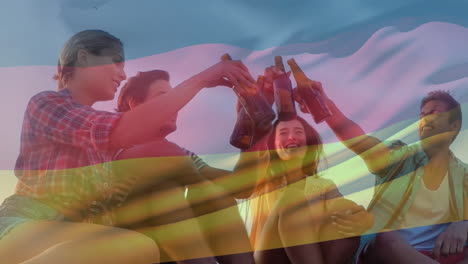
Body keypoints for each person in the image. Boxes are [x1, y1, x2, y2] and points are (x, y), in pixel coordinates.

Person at [0, 29, 255, 264]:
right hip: (28, 224)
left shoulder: (107, 148)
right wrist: (204, 78)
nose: (122, 75)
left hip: (81, 237)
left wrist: (251, 126)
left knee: (167, 196)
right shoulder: (48, 104)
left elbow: (232, 186)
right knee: (135, 245)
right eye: (116, 62)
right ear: (84, 58)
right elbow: (123, 131)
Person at [297, 77, 467, 263]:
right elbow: (358, 140)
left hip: (435, 254)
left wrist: (463, 224)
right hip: (385, 252)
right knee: (387, 238)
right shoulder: (399, 156)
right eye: (421, 115)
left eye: (434, 113)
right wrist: (324, 102)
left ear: (454, 125)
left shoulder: (464, 174)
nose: (425, 118)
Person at [114, 69, 255, 264]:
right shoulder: (115, 149)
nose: (176, 106)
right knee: (166, 191)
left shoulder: (183, 153)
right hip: (126, 250)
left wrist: (249, 128)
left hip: (174, 251)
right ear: (136, 105)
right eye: (166, 98)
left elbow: (242, 187)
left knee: (216, 195)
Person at [250, 114, 374, 264]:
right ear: (272, 145)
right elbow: (253, 138)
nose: (291, 137)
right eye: (283, 133)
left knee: (345, 212)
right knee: (292, 197)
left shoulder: (323, 186)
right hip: (270, 257)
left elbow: (344, 210)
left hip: (315, 256)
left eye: (298, 132)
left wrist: (363, 219)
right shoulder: (261, 180)